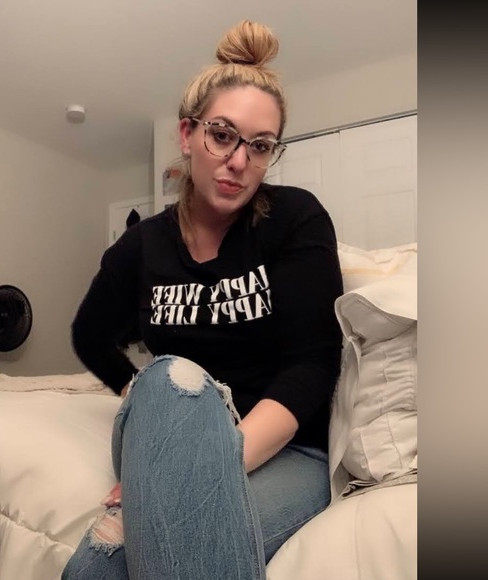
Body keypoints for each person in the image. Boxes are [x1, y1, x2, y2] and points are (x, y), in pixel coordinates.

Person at [62, 19, 343, 580]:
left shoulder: (296, 218)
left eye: (260, 146)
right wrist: (147, 415)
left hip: (287, 449)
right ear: (187, 134)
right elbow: (89, 335)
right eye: (222, 135)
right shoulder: (142, 245)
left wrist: (185, 474)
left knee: (95, 571)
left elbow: (312, 366)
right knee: (166, 377)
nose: (239, 160)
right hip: (168, 429)